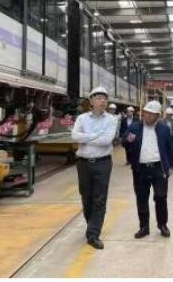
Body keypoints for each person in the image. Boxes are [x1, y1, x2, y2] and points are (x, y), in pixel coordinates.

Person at [70, 86, 118, 250]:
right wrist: (95, 136)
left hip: (103, 163)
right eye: (98, 98)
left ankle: (93, 234)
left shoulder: (112, 119)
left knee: (99, 198)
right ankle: (92, 225)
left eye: (104, 98)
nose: (102, 101)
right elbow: (75, 136)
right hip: (83, 164)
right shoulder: (82, 118)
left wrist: (86, 138)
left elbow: (106, 140)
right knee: (86, 196)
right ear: (91, 101)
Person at [122, 100, 173, 239]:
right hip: (141, 169)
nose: (149, 116)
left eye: (153, 114)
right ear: (143, 113)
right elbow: (124, 142)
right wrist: (129, 139)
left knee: (161, 197)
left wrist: (169, 166)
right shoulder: (134, 127)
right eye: (147, 113)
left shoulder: (164, 129)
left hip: (158, 168)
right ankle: (144, 227)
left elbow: (170, 148)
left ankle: (162, 225)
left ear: (158, 116)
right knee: (141, 198)